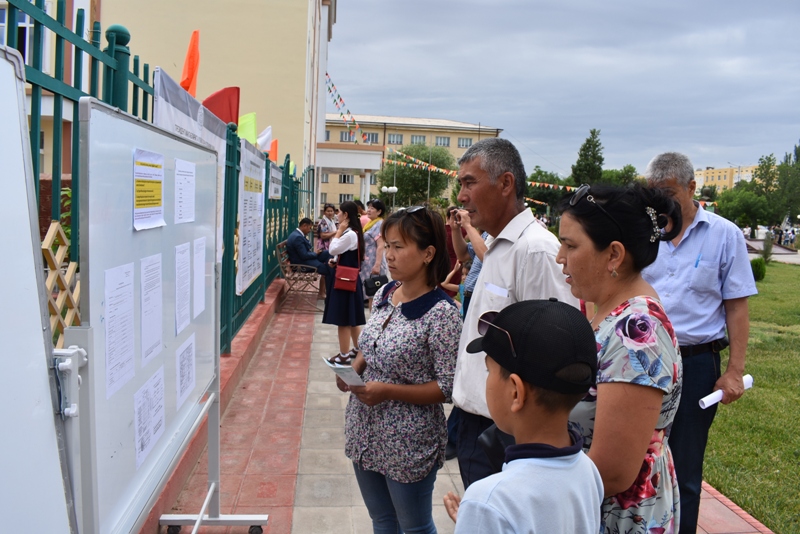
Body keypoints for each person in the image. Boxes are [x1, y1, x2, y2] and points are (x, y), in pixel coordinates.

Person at [557, 183, 683, 533]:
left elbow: (611, 471)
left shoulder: (635, 333)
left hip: (615, 516)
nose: (559, 257)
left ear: (614, 254)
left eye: (570, 245)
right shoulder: (614, 311)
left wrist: (525, 495)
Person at [641, 152, 757, 534]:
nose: (662, 201)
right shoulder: (646, 231)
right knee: (636, 459)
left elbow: (736, 307)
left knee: (686, 469)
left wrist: (734, 372)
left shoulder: (724, 234)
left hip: (695, 365)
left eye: (669, 192)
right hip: (644, 359)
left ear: (692, 188)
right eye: (655, 192)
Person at [452, 138, 577, 488]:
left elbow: (554, 354)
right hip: (474, 420)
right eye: (460, 184)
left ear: (506, 184)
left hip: (505, 433)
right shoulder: (497, 245)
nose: (461, 196)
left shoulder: (535, 250)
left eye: (469, 182)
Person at [337, 205, 462, 534]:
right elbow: (370, 344)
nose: (388, 256)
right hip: (365, 429)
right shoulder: (385, 293)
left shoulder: (442, 314)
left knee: (414, 527)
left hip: (408, 442)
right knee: (382, 520)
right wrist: (351, 368)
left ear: (427, 253)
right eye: (386, 246)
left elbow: (447, 388)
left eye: (399, 247)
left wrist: (388, 391)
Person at [443, 300, 604, 534]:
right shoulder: (588, 470)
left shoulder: (489, 501)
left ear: (516, 392)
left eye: (489, 371)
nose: (487, 379)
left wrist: (479, 519)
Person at [323, 201, 367, 365]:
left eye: (339, 212)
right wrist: (336, 262)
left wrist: (338, 231)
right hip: (349, 280)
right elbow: (341, 254)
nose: (337, 214)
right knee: (352, 318)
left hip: (345, 282)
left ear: (346, 215)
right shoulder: (353, 233)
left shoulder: (349, 234)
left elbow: (333, 249)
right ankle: (357, 348)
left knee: (343, 320)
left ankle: (343, 355)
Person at [449, 209, 488, 318]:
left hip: (481, 298)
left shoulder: (500, 234)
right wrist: (455, 230)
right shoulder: (486, 235)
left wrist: (468, 226)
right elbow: (463, 254)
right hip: (469, 296)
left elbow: (487, 258)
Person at [360, 198, 388, 307]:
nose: (369, 210)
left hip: (374, 265)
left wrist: (377, 265)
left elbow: (381, 245)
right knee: (370, 294)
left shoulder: (380, 224)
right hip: (367, 264)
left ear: (379, 211)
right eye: (368, 208)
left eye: (372, 208)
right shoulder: (371, 224)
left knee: (374, 295)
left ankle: (374, 321)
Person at [315, 204, 338, 299]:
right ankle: (321, 293)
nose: (330, 213)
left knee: (327, 270)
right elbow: (323, 235)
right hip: (324, 248)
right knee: (324, 272)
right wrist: (336, 232)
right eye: (328, 211)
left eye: (331, 211)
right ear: (324, 212)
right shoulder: (323, 222)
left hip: (330, 247)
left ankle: (323, 292)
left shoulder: (332, 221)